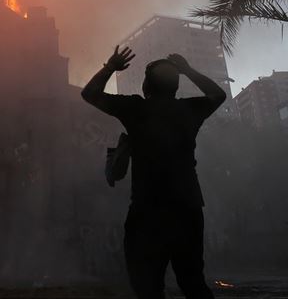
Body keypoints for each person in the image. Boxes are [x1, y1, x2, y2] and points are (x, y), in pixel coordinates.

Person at [81, 46, 226, 299]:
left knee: (147, 287)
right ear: (175, 88)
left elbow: (90, 93)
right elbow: (218, 94)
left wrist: (110, 67)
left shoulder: (136, 109)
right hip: (187, 209)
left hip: (148, 211)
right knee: (192, 283)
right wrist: (188, 70)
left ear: (146, 86)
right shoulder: (189, 111)